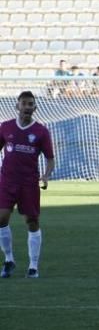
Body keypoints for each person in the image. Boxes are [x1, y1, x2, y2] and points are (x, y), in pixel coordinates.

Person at [0, 91, 55, 279]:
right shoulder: (5, 127)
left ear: (35, 108)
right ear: (17, 106)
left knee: (32, 222)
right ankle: (9, 260)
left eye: (30, 104)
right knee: (1, 218)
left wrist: (46, 176)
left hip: (29, 183)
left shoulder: (41, 131)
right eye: (24, 103)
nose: (27, 107)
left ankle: (33, 266)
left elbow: (50, 159)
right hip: (7, 180)